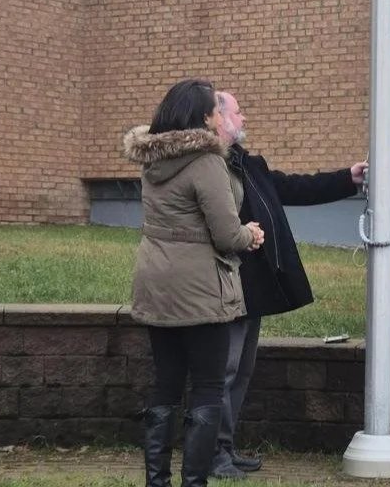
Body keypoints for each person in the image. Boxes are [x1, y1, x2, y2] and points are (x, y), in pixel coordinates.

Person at [209, 91, 368, 479]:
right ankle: (211, 453)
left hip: (253, 286)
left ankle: (225, 448)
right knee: (222, 371)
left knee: (241, 371)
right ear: (215, 118)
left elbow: (295, 187)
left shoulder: (247, 165)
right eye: (237, 110)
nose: (244, 115)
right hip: (224, 284)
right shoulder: (207, 168)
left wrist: (347, 178)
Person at [123, 79, 266, 487]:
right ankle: (194, 483)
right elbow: (226, 233)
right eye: (218, 110)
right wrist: (251, 235)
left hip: (156, 283)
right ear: (204, 117)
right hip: (201, 289)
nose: (223, 116)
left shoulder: (152, 160)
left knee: (166, 386)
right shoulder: (206, 161)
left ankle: (157, 482)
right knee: (206, 388)